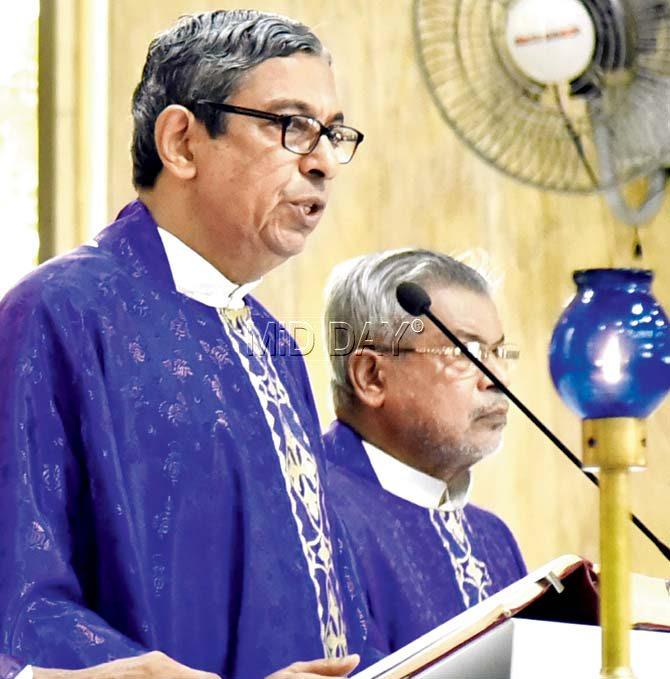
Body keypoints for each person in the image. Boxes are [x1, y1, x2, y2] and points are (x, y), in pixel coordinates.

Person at [0, 9, 373, 679]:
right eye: (290, 126)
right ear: (181, 141)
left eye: (333, 133)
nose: (322, 162)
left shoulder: (277, 347)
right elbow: (19, 599)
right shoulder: (59, 311)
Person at [322, 249, 527, 652]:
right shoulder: (311, 515)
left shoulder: (494, 538)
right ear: (372, 376)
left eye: (499, 353)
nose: (497, 378)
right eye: (464, 353)